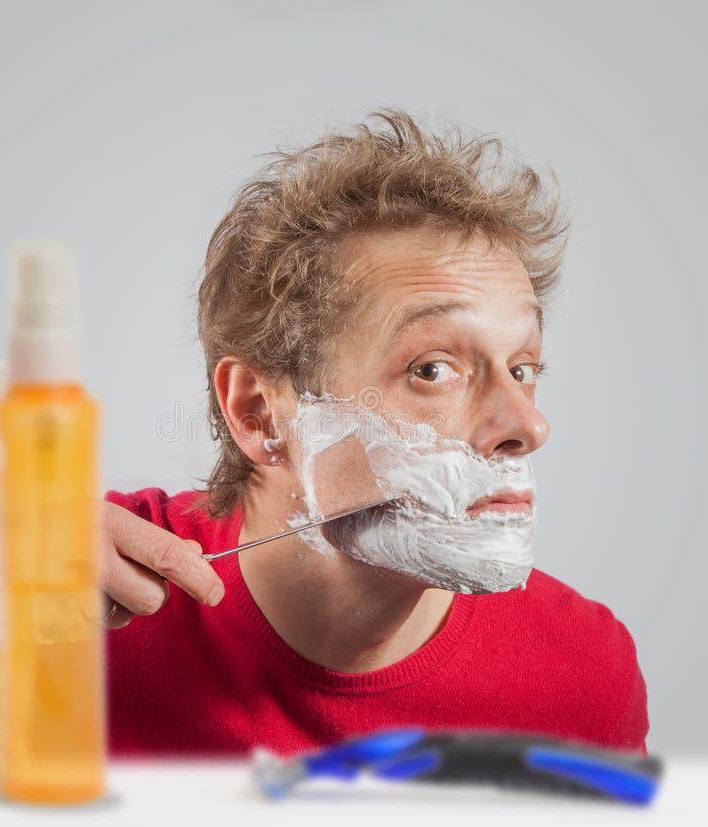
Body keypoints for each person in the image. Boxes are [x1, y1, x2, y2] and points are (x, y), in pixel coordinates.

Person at [100, 109, 649, 758]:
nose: (529, 425)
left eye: (522, 367)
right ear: (259, 413)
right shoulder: (79, 586)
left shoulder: (579, 679)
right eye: (433, 368)